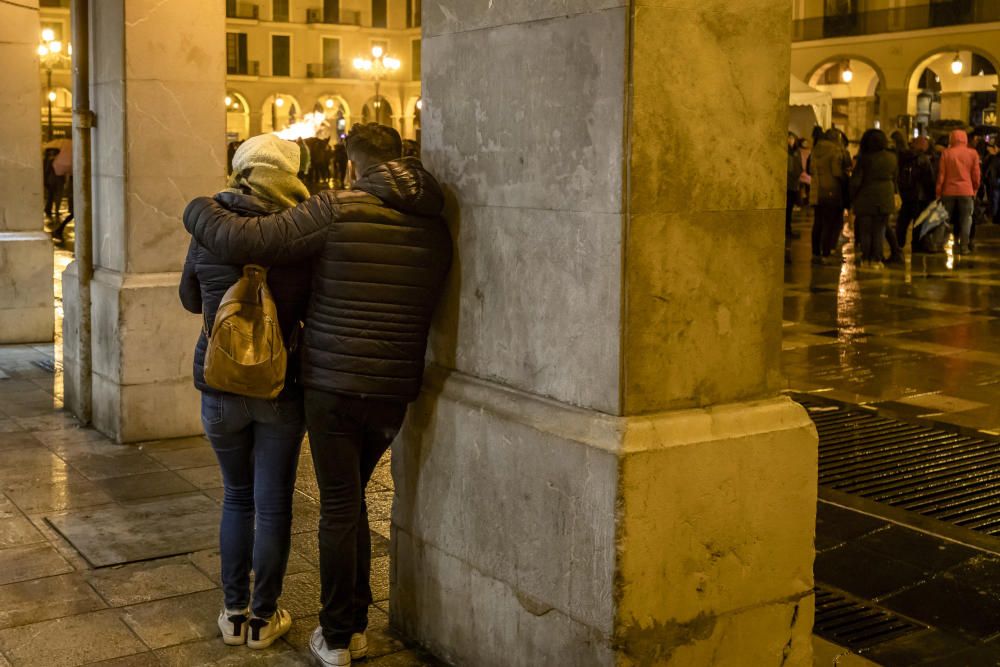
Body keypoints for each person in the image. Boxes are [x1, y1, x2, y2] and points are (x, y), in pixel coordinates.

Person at [183, 123, 453, 667]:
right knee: (336, 499)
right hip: (390, 388)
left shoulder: (335, 212)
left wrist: (196, 209)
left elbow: (236, 250)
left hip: (322, 384)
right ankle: (329, 621)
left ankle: (327, 634)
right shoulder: (437, 227)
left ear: (352, 163)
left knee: (322, 502)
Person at [179, 134, 313, 651]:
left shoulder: (210, 225)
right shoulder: (303, 232)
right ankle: (264, 618)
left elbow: (191, 298)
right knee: (274, 502)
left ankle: (232, 613)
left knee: (236, 496)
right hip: (281, 384)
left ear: (241, 169)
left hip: (219, 382)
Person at [850, 129, 898, 266]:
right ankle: (877, 258)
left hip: (866, 197)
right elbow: (895, 178)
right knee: (880, 230)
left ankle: (866, 258)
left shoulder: (864, 158)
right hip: (885, 197)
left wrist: (851, 197)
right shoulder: (892, 158)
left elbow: (856, 181)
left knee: (865, 230)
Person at [809, 128, 851, 264]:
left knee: (818, 223)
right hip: (832, 191)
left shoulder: (815, 150)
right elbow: (837, 172)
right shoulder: (835, 151)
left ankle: (815, 252)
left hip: (817, 192)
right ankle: (826, 254)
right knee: (829, 224)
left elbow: (810, 170)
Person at [936, 129, 982, 255]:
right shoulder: (973, 153)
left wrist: (939, 191)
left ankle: (939, 245)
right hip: (966, 191)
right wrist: (975, 188)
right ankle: (964, 247)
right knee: (966, 219)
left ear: (952, 139)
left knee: (944, 219)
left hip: (948, 191)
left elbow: (941, 175)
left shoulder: (946, 153)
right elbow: (976, 175)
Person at [895, 135, 936, 249]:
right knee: (918, 222)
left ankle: (899, 244)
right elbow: (929, 179)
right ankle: (916, 246)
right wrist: (932, 196)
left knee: (903, 220)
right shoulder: (924, 159)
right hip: (921, 196)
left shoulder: (904, 157)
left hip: (907, 194)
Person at [786, 132, 803, 241]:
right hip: (787, 184)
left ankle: (788, 229)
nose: (791, 140)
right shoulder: (786, 152)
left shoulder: (796, 151)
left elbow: (799, 167)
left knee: (790, 208)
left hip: (793, 184)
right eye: (789, 138)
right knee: (786, 209)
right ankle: (786, 230)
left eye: (792, 138)